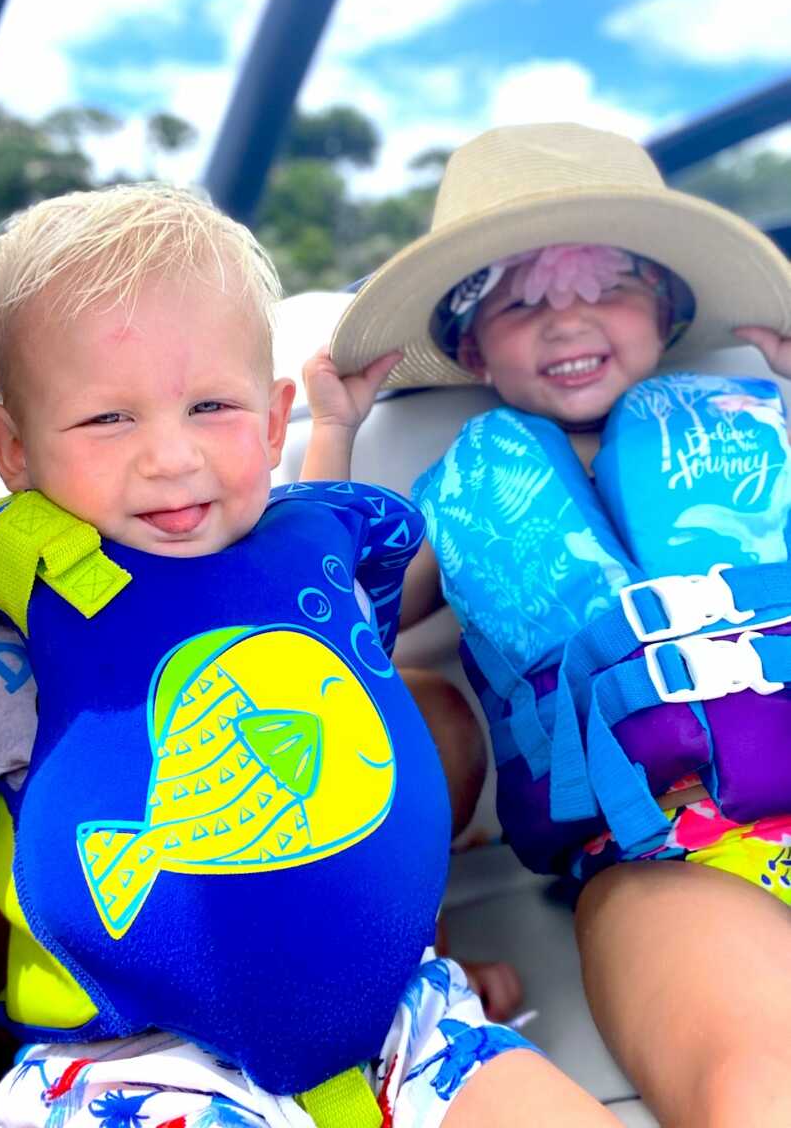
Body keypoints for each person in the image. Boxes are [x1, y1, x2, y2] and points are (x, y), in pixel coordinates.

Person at [0, 183, 620, 1127]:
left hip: (402, 1022)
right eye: (107, 419)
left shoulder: (309, 558)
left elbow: (343, 707)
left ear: (276, 423)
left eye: (211, 406)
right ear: (13, 449)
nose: (170, 456)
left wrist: (409, 948)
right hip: (131, 1057)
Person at [327, 121, 791, 1126]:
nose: (565, 319)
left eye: (605, 287)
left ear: (666, 312)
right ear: (468, 347)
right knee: (760, 1086)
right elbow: (308, 636)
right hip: (663, 861)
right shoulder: (456, 507)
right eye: (523, 300)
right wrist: (331, 435)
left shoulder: (765, 435)